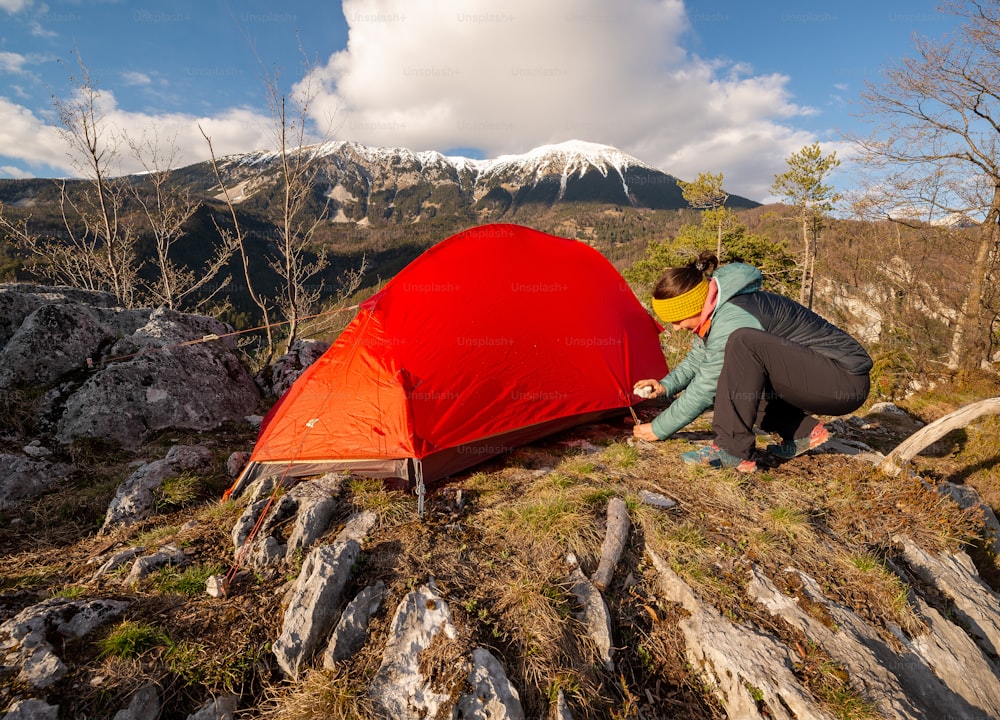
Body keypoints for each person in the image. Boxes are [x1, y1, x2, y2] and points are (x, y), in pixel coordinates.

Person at [632, 251, 872, 473]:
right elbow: (698, 358)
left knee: (741, 345)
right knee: (741, 382)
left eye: (677, 319)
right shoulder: (716, 312)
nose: (676, 327)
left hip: (843, 382)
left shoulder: (732, 318)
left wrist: (658, 428)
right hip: (820, 377)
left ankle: (732, 450)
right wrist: (665, 386)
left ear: (695, 306)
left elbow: (707, 386)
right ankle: (802, 431)